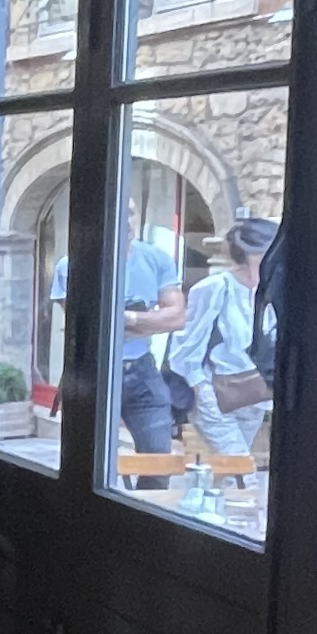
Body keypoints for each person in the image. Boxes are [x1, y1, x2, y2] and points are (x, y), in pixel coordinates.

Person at [171, 217, 279, 464]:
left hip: (255, 397)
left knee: (230, 471)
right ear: (249, 254)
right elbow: (185, 346)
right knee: (240, 470)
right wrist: (201, 390)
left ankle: (208, 491)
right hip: (215, 394)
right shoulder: (215, 288)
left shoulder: (273, 291)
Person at [117, 197, 188, 474]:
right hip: (96, 370)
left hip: (142, 368)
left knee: (158, 462)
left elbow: (177, 317)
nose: (127, 220)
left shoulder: (157, 259)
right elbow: (94, 325)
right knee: (93, 462)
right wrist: (152, 320)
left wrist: (131, 319)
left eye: (131, 213)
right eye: (121, 212)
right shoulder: (71, 264)